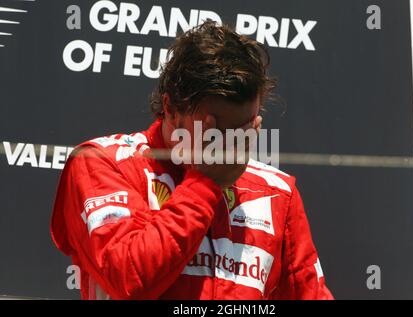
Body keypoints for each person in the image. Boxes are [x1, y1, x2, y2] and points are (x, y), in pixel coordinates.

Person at [50, 20, 333, 300]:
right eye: (214, 132)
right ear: (170, 108)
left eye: (244, 131)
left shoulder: (276, 192)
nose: (229, 148)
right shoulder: (104, 162)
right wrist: (206, 183)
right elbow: (128, 280)